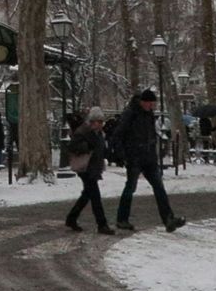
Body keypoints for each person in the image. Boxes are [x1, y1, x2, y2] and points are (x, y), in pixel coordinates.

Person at [114, 89, 184, 233]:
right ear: (143, 102)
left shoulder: (148, 114)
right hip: (135, 156)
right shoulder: (130, 114)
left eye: (153, 103)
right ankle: (122, 218)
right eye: (150, 103)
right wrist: (123, 155)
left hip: (148, 157)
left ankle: (168, 218)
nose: (152, 106)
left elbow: (150, 133)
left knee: (159, 187)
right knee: (130, 187)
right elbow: (118, 134)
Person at [65, 106, 115, 235]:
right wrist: (87, 146)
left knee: (87, 195)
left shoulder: (99, 134)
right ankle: (102, 224)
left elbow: (101, 150)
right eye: (97, 121)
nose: (99, 124)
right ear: (91, 121)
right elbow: (72, 146)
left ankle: (72, 218)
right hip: (85, 168)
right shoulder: (83, 131)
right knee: (95, 197)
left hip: (93, 168)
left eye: (101, 122)